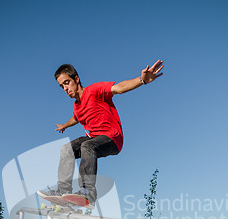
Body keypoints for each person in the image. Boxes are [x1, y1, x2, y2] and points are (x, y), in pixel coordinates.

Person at [38, 60, 164, 206]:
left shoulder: (94, 90)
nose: (65, 88)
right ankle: (63, 191)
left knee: (87, 146)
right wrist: (64, 125)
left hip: (112, 138)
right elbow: (76, 118)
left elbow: (118, 88)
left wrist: (142, 80)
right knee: (67, 149)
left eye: (67, 83)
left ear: (76, 79)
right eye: (62, 86)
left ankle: (87, 192)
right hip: (93, 138)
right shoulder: (77, 107)